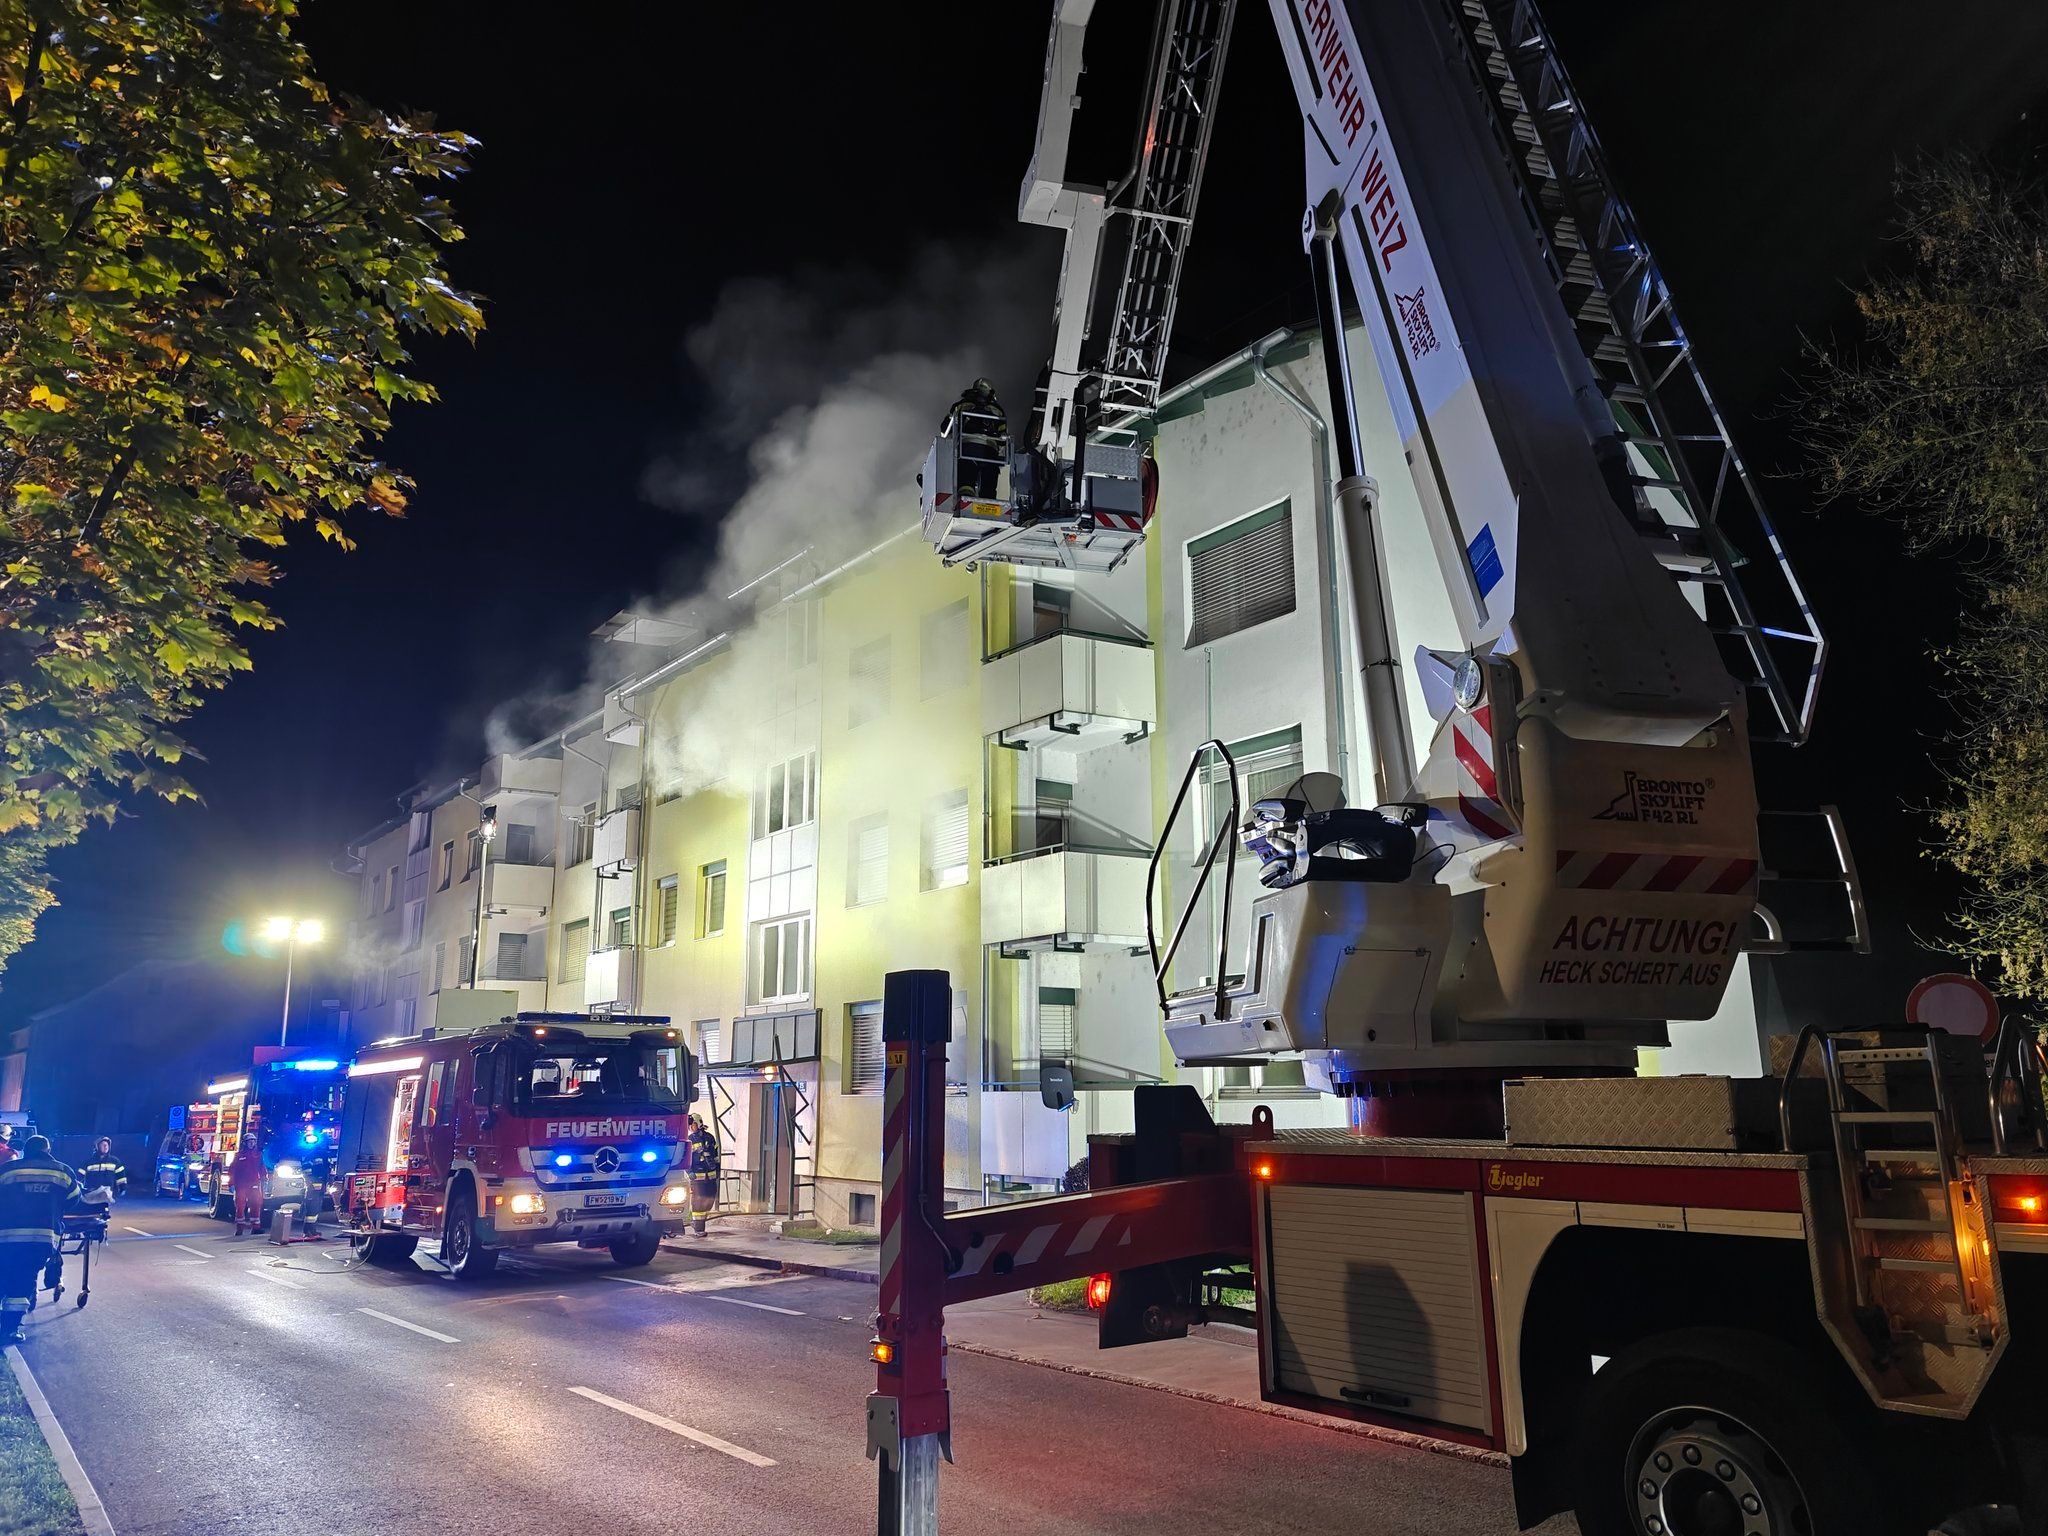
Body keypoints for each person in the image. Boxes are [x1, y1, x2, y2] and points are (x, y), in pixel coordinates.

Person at [0, 1136, 74, 1343]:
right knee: (22, 1283)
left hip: (5, 1239)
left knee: (4, 1277)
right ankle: (8, 1330)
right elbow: (74, 1200)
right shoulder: (62, 1172)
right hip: (40, 1241)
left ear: (25, 1150)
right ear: (48, 1150)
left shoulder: (8, 1170)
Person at [944, 377, 1008, 501]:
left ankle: (965, 498)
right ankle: (988, 501)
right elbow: (1003, 436)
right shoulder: (998, 411)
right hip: (990, 451)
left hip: (966, 448)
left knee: (966, 478)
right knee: (989, 480)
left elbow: (945, 428)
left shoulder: (961, 406)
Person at [227, 1120, 266, 1236]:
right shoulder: (239, 1155)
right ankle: (240, 1229)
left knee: (256, 1204)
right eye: (249, 1141)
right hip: (241, 1185)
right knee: (240, 1206)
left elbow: (262, 1167)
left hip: (254, 1183)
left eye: (253, 1141)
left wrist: (265, 1178)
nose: (252, 1143)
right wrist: (231, 1184)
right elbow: (232, 1170)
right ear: (245, 1143)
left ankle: (256, 1227)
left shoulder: (258, 1155)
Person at [685, 1114, 720, 1238]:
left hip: (710, 1177)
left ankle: (699, 1224)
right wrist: (689, 1172)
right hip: (697, 1179)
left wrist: (717, 1172)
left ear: (699, 1123)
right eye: (689, 1125)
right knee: (698, 1203)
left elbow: (716, 1157)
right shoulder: (689, 1139)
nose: (691, 1127)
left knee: (708, 1201)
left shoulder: (710, 1138)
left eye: (693, 1124)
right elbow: (686, 1158)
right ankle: (699, 1229)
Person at [78, 1138, 126, 1206]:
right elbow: (79, 1176)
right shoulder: (89, 1162)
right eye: (103, 1145)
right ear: (97, 1147)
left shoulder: (115, 1161)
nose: (106, 1146)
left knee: (104, 1210)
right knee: (92, 1211)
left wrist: (122, 1188)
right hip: (92, 1191)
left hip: (108, 1192)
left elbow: (121, 1176)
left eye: (107, 1145)